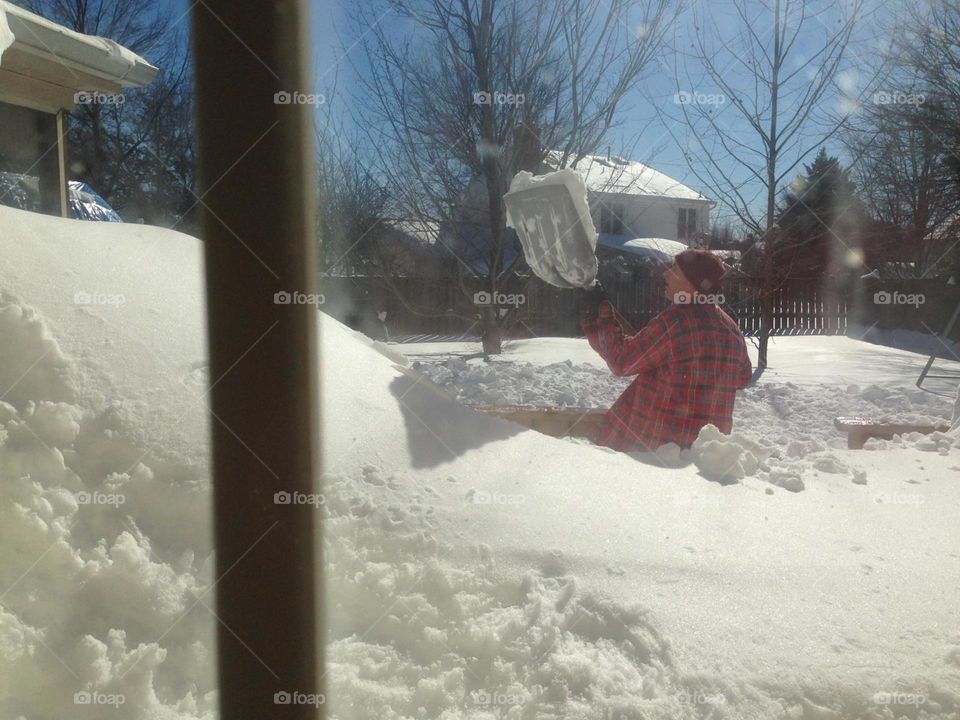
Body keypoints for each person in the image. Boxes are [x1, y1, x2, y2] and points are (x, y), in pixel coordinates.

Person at [580, 249, 752, 453]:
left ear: (691, 282)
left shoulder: (675, 323)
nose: (665, 274)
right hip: (706, 454)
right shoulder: (731, 328)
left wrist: (599, 314)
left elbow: (621, 361)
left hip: (657, 451)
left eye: (674, 268)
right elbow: (743, 378)